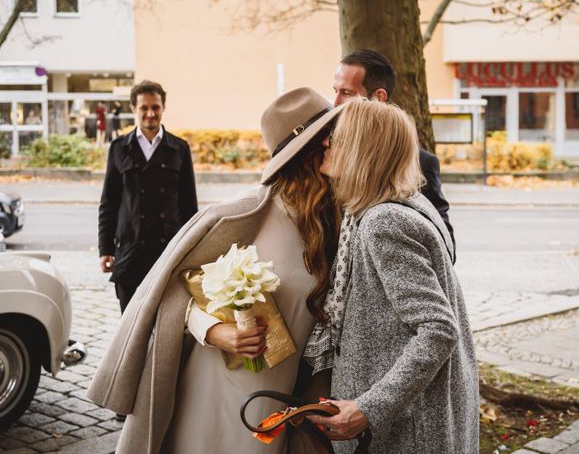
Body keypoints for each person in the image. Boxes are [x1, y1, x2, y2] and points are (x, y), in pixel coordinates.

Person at [88, 87, 342, 453]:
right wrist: (216, 331)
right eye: (330, 136)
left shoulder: (339, 221)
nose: (339, 143)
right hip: (211, 382)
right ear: (308, 152)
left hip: (276, 396)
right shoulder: (245, 214)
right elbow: (177, 289)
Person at [306, 99, 479, 453]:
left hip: (404, 433)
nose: (326, 143)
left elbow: (438, 329)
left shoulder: (383, 221)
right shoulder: (399, 204)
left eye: (336, 136)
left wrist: (368, 409)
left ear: (361, 150)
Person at [332, 49, 456, 258]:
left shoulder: (420, 163)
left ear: (378, 97)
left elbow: (444, 245)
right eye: (334, 90)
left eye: (347, 93)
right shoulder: (327, 153)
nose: (335, 103)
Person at [98, 80, 198, 315]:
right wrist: (105, 249)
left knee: (166, 324)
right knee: (130, 325)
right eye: (144, 108)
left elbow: (189, 206)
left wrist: (192, 250)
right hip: (130, 253)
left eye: (156, 107)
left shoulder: (179, 149)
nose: (150, 113)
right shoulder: (119, 148)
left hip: (168, 253)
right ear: (134, 109)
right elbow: (109, 203)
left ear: (163, 108)